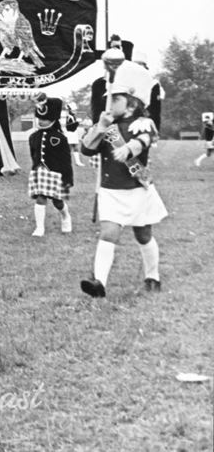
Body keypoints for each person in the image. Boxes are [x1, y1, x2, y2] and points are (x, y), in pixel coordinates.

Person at [80, 60, 167, 297]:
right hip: (111, 189)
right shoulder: (106, 126)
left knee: (143, 234)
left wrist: (128, 149)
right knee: (108, 233)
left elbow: (143, 142)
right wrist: (100, 127)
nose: (108, 104)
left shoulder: (143, 123)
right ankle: (99, 283)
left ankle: (153, 276)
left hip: (136, 188)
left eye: (114, 99)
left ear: (131, 102)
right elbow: (86, 150)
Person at [27, 97, 74, 236]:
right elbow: (33, 155)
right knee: (40, 198)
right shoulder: (33, 136)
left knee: (57, 202)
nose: (41, 121)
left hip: (56, 173)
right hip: (40, 172)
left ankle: (65, 216)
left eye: (45, 118)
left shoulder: (60, 138)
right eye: (39, 117)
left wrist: (67, 178)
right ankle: (39, 227)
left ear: (53, 118)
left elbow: (66, 160)